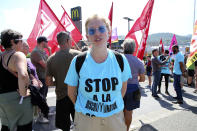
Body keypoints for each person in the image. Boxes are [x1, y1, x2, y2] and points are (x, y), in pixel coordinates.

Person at [64, 14, 131, 131]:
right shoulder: (78, 61)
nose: (97, 33)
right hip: (86, 120)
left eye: (101, 29)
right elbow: (71, 92)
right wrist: (84, 109)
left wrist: (109, 108)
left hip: (114, 118)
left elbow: (123, 89)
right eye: (92, 30)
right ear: (87, 36)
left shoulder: (120, 59)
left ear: (108, 32)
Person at [45, 31, 81, 131]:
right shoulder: (79, 55)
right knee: (81, 125)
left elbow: (48, 82)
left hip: (61, 97)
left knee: (65, 127)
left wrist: (59, 82)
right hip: (78, 96)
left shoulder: (51, 59)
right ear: (68, 40)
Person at [0, 29, 33, 131]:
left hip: (3, 100)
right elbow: (23, 75)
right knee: (24, 127)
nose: (22, 42)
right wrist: (24, 93)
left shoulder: (1, 56)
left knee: (6, 127)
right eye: (20, 40)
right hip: (18, 99)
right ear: (12, 42)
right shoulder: (18, 55)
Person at [122, 39, 145, 131]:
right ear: (134, 49)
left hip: (119, 89)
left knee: (118, 111)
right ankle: (126, 129)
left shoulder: (118, 59)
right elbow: (143, 79)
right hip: (133, 88)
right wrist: (136, 79)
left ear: (123, 47)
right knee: (129, 112)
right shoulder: (139, 61)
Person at [30, 36, 50, 123]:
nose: (48, 43)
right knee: (41, 98)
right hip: (40, 78)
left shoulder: (42, 51)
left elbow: (49, 61)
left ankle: (44, 113)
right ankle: (40, 116)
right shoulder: (36, 52)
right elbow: (45, 65)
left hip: (44, 76)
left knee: (44, 96)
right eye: (47, 42)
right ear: (43, 42)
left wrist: (49, 51)